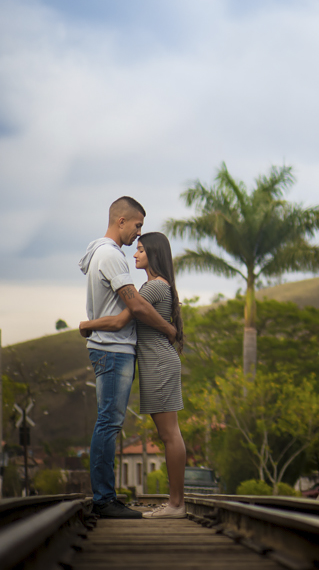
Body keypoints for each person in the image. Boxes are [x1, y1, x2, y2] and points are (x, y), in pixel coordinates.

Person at [78, 197, 177, 520]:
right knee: (109, 421)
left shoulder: (101, 253)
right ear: (121, 221)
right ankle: (105, 499)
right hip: (113, 349)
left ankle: (108, 497)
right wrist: (168, 328)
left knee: (110, 421)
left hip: (111, 348)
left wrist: (89, 325)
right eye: (137, 226)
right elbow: (133, 308)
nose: (138, 234)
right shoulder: (110, 256)